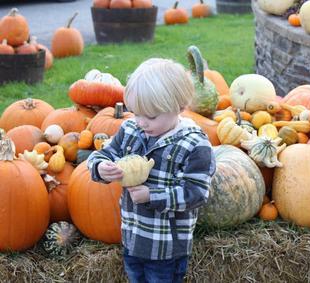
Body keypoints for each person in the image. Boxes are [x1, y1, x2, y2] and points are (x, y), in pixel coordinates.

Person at [87, 58, 216, 283]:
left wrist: (152, 196)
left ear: (179, 107)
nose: (142, 122)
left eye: (151, 116)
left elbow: (197, 193)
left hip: (166, 249)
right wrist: (100, 167)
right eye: (136, 113)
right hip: (132, 239)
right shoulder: (131, 129)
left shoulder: (194, 145)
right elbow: (104, 154)